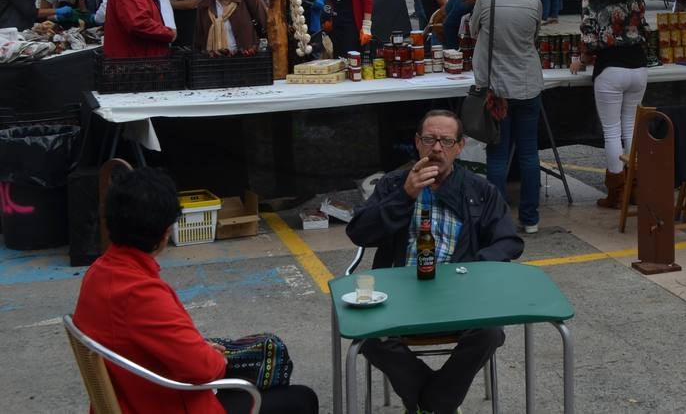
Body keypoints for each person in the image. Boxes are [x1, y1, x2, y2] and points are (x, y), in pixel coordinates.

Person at [74, 168, 318, 414]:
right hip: (165, 404)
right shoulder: (140, 294)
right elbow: (203, 370)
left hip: (134, 395)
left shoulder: (98, 273)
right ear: (164, 233)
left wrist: (199, 350)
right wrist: (214, 357)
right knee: (301, 400)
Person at [347, 109, 521, 414]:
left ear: (460, 146)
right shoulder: (393, 184)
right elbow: (359, 231)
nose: (437, 148)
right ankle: (438, 403)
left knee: (490, 332)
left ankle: (430, 404)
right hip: (400, 293)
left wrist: (471, 270)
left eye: (446, 141)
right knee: (369, 335)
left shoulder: (480, 190)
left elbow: (509, 240)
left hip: (460, 295)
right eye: (429, 140)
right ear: (417, 142)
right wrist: (405, 194)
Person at [469, 0, 544, 233]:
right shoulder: (534, 3)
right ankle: (530, 219)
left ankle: (498, 220)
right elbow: (533, 38)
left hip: (496, 89)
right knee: (529, 154)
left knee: (497, 156)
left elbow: (475, 31)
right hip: (528, 85)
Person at [573, 0, 649, 208]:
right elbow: (644, 29)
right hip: (638, 67)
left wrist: (580, 61)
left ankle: (617, 193)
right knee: (631, 128)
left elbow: (589, 39)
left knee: (612, 130)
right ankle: (636, 188)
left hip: (610, 69)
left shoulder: (591, 0)